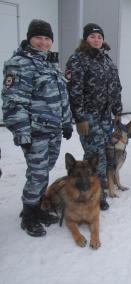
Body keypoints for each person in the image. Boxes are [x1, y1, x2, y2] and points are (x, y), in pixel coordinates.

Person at [1, 19, 73, 237]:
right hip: (35, 132)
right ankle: (29, 213)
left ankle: (37, 207)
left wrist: (67, 121)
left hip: (53, 130)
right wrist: (22, 133)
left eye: (47, 38)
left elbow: (62, 98)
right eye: (38, 38)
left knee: (45, 170)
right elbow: (13, 102)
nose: (43, 42)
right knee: (38, 174)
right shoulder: (19, 64)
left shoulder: (50, 63)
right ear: (29, 38)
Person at [66, 23, 122, 210]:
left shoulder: (107, 61)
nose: (96, 40)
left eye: (99, 37)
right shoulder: (78, 60)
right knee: (94, 156)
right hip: (89, 117)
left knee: (104, 154)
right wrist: (79, 117)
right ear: (85, 39)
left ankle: (97, 188)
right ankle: (95, 196)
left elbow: (115, 88)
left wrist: (118, 110)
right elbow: (74, 91)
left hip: (106, 116)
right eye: (92, 37)